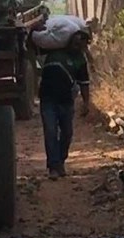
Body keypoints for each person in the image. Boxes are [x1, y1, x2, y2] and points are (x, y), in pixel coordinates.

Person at [39, 30, 91, 179]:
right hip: (48, 99)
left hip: (66, 101)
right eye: (75, 42)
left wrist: (86, 103)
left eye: (80, 44)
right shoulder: (54, 53)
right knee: (50, 132)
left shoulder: (80, 60)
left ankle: (60, 161)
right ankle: (53, 167)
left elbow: (84, 83)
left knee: (67, 133)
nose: (76, 46)